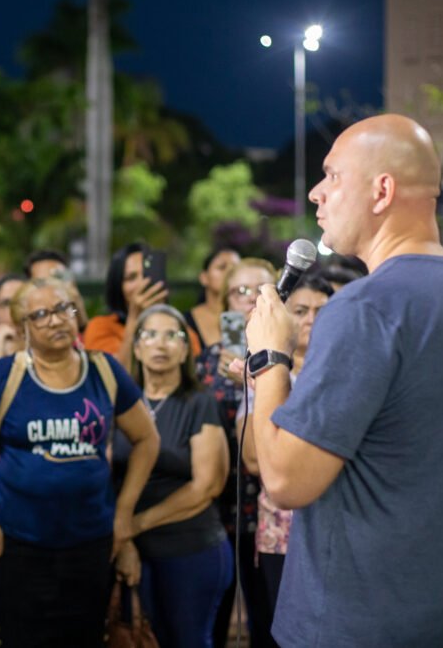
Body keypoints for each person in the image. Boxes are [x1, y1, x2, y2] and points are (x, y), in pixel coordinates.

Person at [243, 114, 443, 646]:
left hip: (357, 620)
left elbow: (287, 481)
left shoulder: (366, 306)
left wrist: (271, 356)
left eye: (332, 175)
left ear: (382, 190)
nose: (316, 193)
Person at [0, 278, 161, 648]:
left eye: (63, 309)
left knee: (86, 636)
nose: (56, 320)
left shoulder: (104, 371)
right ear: (22, 326)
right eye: (40, 314)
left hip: (91, 541)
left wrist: (123, 513)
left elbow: (147, 439)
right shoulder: (3, 376)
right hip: (19, 544)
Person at [114, 304, 231, 648]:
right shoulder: (120, 405)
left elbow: (206, 485)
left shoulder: (199, 403)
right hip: (130, 550)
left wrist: (133, 527)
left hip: (189, 548)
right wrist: (126, 542)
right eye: (150, 335)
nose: (160, 344)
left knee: (187, 640)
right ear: (136, 348)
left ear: (185, 350)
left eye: (172, 336)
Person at [240, 274, 333, 644]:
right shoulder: (262, 368)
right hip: (281, 528)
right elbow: (252, 457)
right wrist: (270, 382)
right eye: (300, 310)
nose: (311, 319)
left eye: (321, 311)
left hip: (332, 527)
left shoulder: (338, 369)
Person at [198, 256, 277, 648]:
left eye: (258, 290)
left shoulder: (287, 355)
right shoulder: (206, 362)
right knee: (211, 619)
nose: (248, 299)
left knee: (268, 617)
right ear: (224, 300)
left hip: (270, 511)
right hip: (215, 509)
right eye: (239, 291)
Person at [86, 243, 201, 367]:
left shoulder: (181, 330)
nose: (143, 283)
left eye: (147, 275)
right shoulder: (101, 327)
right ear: (118, 286)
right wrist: (135, 317)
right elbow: (114, 378)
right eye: (131, 277)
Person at [185, 247, 240, 348]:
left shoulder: (249, 317)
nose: (230, 272)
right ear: (204, 278)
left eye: (235, 269)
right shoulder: (185, 322)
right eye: (222, 267)